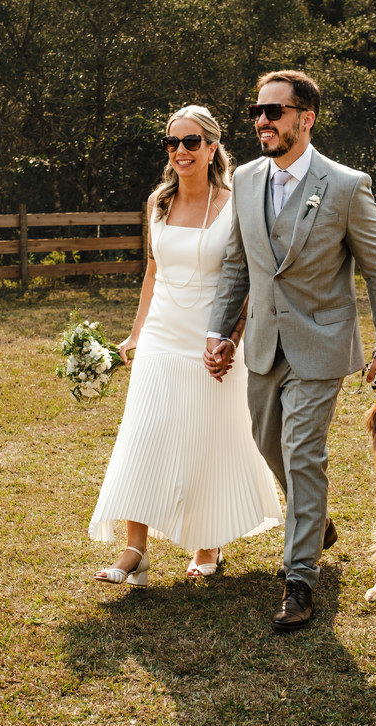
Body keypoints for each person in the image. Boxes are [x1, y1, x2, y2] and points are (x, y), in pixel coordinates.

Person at [204, 70, 376, 631]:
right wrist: (221, 332)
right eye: (256, 111)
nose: (262, 121)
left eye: (273, 111)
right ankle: (314, 523)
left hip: (323, 342)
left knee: (301, 451)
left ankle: (299, 579)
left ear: (305, 118)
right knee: (268, 442)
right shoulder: (244, 180)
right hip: (264, 344)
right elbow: (237, 265)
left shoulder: (345, 185)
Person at [90, 105, 283, 586]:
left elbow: (249, 281)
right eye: (172, 143)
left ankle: (207, 544)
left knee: (208, 439)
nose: (180, 151)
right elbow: (152, 272)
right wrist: (136, 332)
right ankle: (135, 548)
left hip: (211, 339)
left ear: (213, 147)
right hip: (160, 335)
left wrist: (231, 338)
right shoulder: (158, 201)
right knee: (145, 434)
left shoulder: (236, 202)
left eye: (191, 142)